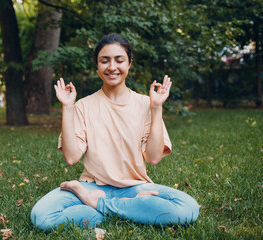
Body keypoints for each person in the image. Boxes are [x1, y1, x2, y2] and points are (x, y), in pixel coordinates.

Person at [30, 33, 199, 231]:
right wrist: (67, 107)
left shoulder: (146, 103)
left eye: (119, 60)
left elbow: (153, 158)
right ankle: (123, 209)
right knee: (41, 216)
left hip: (136, 188)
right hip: (92, 186)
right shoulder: (84, 106)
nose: (112, 67)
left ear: (129, 64)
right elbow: (71, 157)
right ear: (97, 65)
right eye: (104, 61)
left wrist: (156, 107)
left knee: (188, 209)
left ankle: (96, 205)